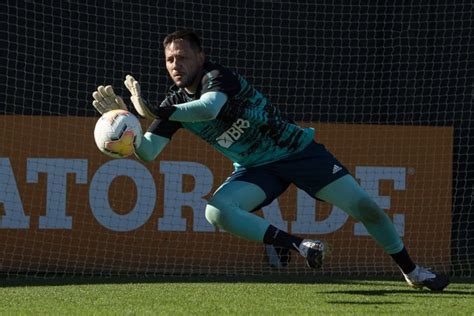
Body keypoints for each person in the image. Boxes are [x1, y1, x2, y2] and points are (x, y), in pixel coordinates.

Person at [92, 30, 449, 291]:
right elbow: (149, 153)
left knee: (367, 208)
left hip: (297, 151)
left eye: (183, 56)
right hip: (256, 169)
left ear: (200, 57)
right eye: (170, 59)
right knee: (215, 211)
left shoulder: (218, 77)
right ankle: (297, 245)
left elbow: (208, 108)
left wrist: (154, 109)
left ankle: (413, 272)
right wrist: (129, 132)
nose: (175, 64)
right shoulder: (171, 104)